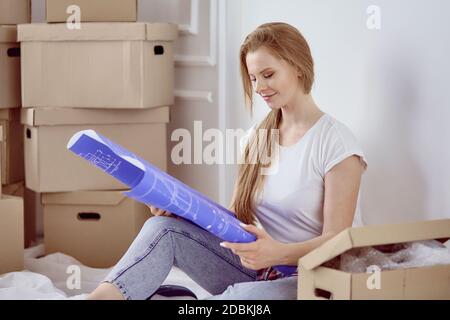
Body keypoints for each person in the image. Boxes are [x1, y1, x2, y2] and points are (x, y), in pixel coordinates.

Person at [87, 22, 367, 300]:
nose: (259, 87)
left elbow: (338, 241)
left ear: (298, 67)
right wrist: (182, 212)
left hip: (314, 280)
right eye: (254, 78)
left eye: (268, 74)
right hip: (262, 268)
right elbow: (236, 219)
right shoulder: (256, 139)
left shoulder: (335, 142)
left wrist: (278, 252)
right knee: (162, 229)